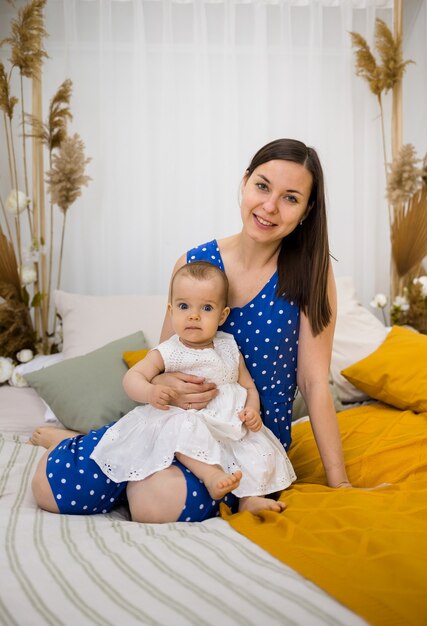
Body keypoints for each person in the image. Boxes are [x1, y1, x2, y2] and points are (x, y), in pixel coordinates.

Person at [31, 137, 351, 523]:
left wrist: (341, 485)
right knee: (48, 486)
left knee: (153, 500)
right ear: (245, 182)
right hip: (177, 424)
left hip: (243, 443)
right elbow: (167, 359)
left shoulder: (310, 276)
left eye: (290, 197)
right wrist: (169, 388)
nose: (269, 206)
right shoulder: (195, 262)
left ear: (306, 210)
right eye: (262, 186)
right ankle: (80, 444)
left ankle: (118, 463)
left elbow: (315, 384)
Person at [90, 261, 296, 516]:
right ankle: (211, 476)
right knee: (185, 430)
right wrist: (149, 392)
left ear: (222, 316)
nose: (193, 315)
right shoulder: (169, 350)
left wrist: (252, 411)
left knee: (257, 449)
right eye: (184, 306)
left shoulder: (229, 347)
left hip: (230, 425)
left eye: (206, 308)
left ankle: (251, 499)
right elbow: (133, 377)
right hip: (191, 418)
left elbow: (248, 387)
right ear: (171, 310)